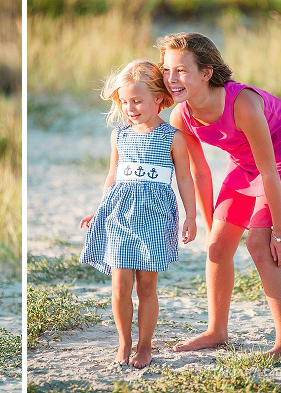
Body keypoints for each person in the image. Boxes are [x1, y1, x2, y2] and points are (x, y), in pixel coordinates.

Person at [159, 32, 281, 360]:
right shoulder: (181, 115)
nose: (172, 79)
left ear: (206, 73)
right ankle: (217, 331)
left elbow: (269, 170)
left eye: (181, 71)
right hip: (245, 164)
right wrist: (211, 223)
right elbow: (200, 172)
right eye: (167, 69)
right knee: (217, 247)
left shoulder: (243, 104)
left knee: (259, 243)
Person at [80, 59, 198, 368]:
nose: (130, 107)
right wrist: (99, 211)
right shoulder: (119, 136)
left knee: (147, 287)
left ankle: (145, 346)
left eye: (137, 100)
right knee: (120, 286)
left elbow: (185, 178)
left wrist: (191, 216)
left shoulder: (172, 137)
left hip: (156, 218)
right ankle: (124, 342)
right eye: (125, 101)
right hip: (120, 216)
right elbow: (112, 177)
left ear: (158, 98)